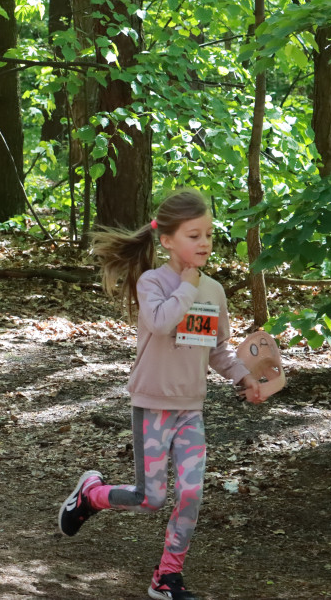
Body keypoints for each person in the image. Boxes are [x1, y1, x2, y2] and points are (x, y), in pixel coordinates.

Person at [57, 189, 262, 600]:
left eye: (209, 234)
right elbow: (162, 321)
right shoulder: (152, 282)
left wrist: (244, 378)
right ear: (167, 240)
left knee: (190, 494)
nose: (204, 243)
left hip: (191, 409)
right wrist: (186, 285)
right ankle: (91, 496)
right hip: (153, 404)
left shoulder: (214, 292)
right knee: (150, 499)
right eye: (193, 235)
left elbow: (217, 349)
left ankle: (167, 577)